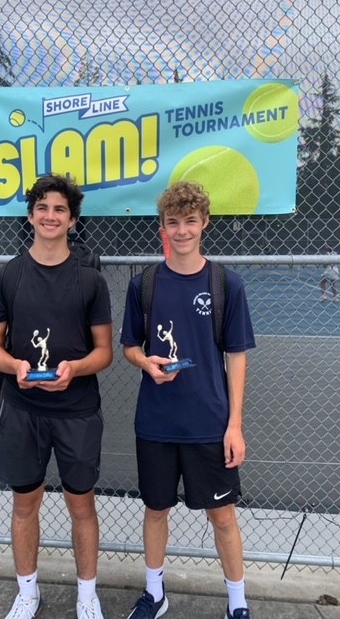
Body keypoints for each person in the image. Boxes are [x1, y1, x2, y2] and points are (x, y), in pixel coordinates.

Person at [120, 181, 256, 619]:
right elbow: (129, 346)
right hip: (156, 424)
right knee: (156, 510)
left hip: (209, 425)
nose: (181, 231)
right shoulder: (143, 285)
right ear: (161, 227)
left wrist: (234, 425)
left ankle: (237, 603)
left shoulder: (225, 284)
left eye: (190, 222)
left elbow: (236, 357)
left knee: (222, 516)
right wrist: (146, 362)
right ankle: (155, 595)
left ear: (204, 224)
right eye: (172, 222)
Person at [0, 173, 113, 619]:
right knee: (25, 504)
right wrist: (16, 366)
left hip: (77, 412)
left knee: (82, 505)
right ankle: (27, 592)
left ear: (73, 220)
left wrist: (74, 369)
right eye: (42, 207)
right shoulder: (7, 276)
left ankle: (87, 595)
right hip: (22, 411)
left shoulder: (91, 280)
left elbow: (104, 352)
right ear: (31, 215)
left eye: (60, 209)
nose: (50, 216)